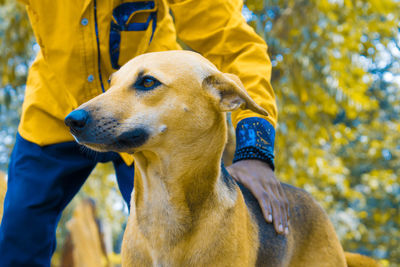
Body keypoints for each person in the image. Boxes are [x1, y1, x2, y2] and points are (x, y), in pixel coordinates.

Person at [0, 0, 289, 266]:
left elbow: (232, 43)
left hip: (157, 118)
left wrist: (255, 149)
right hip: (54, 107)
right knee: (18, 238)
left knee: (186, 239)